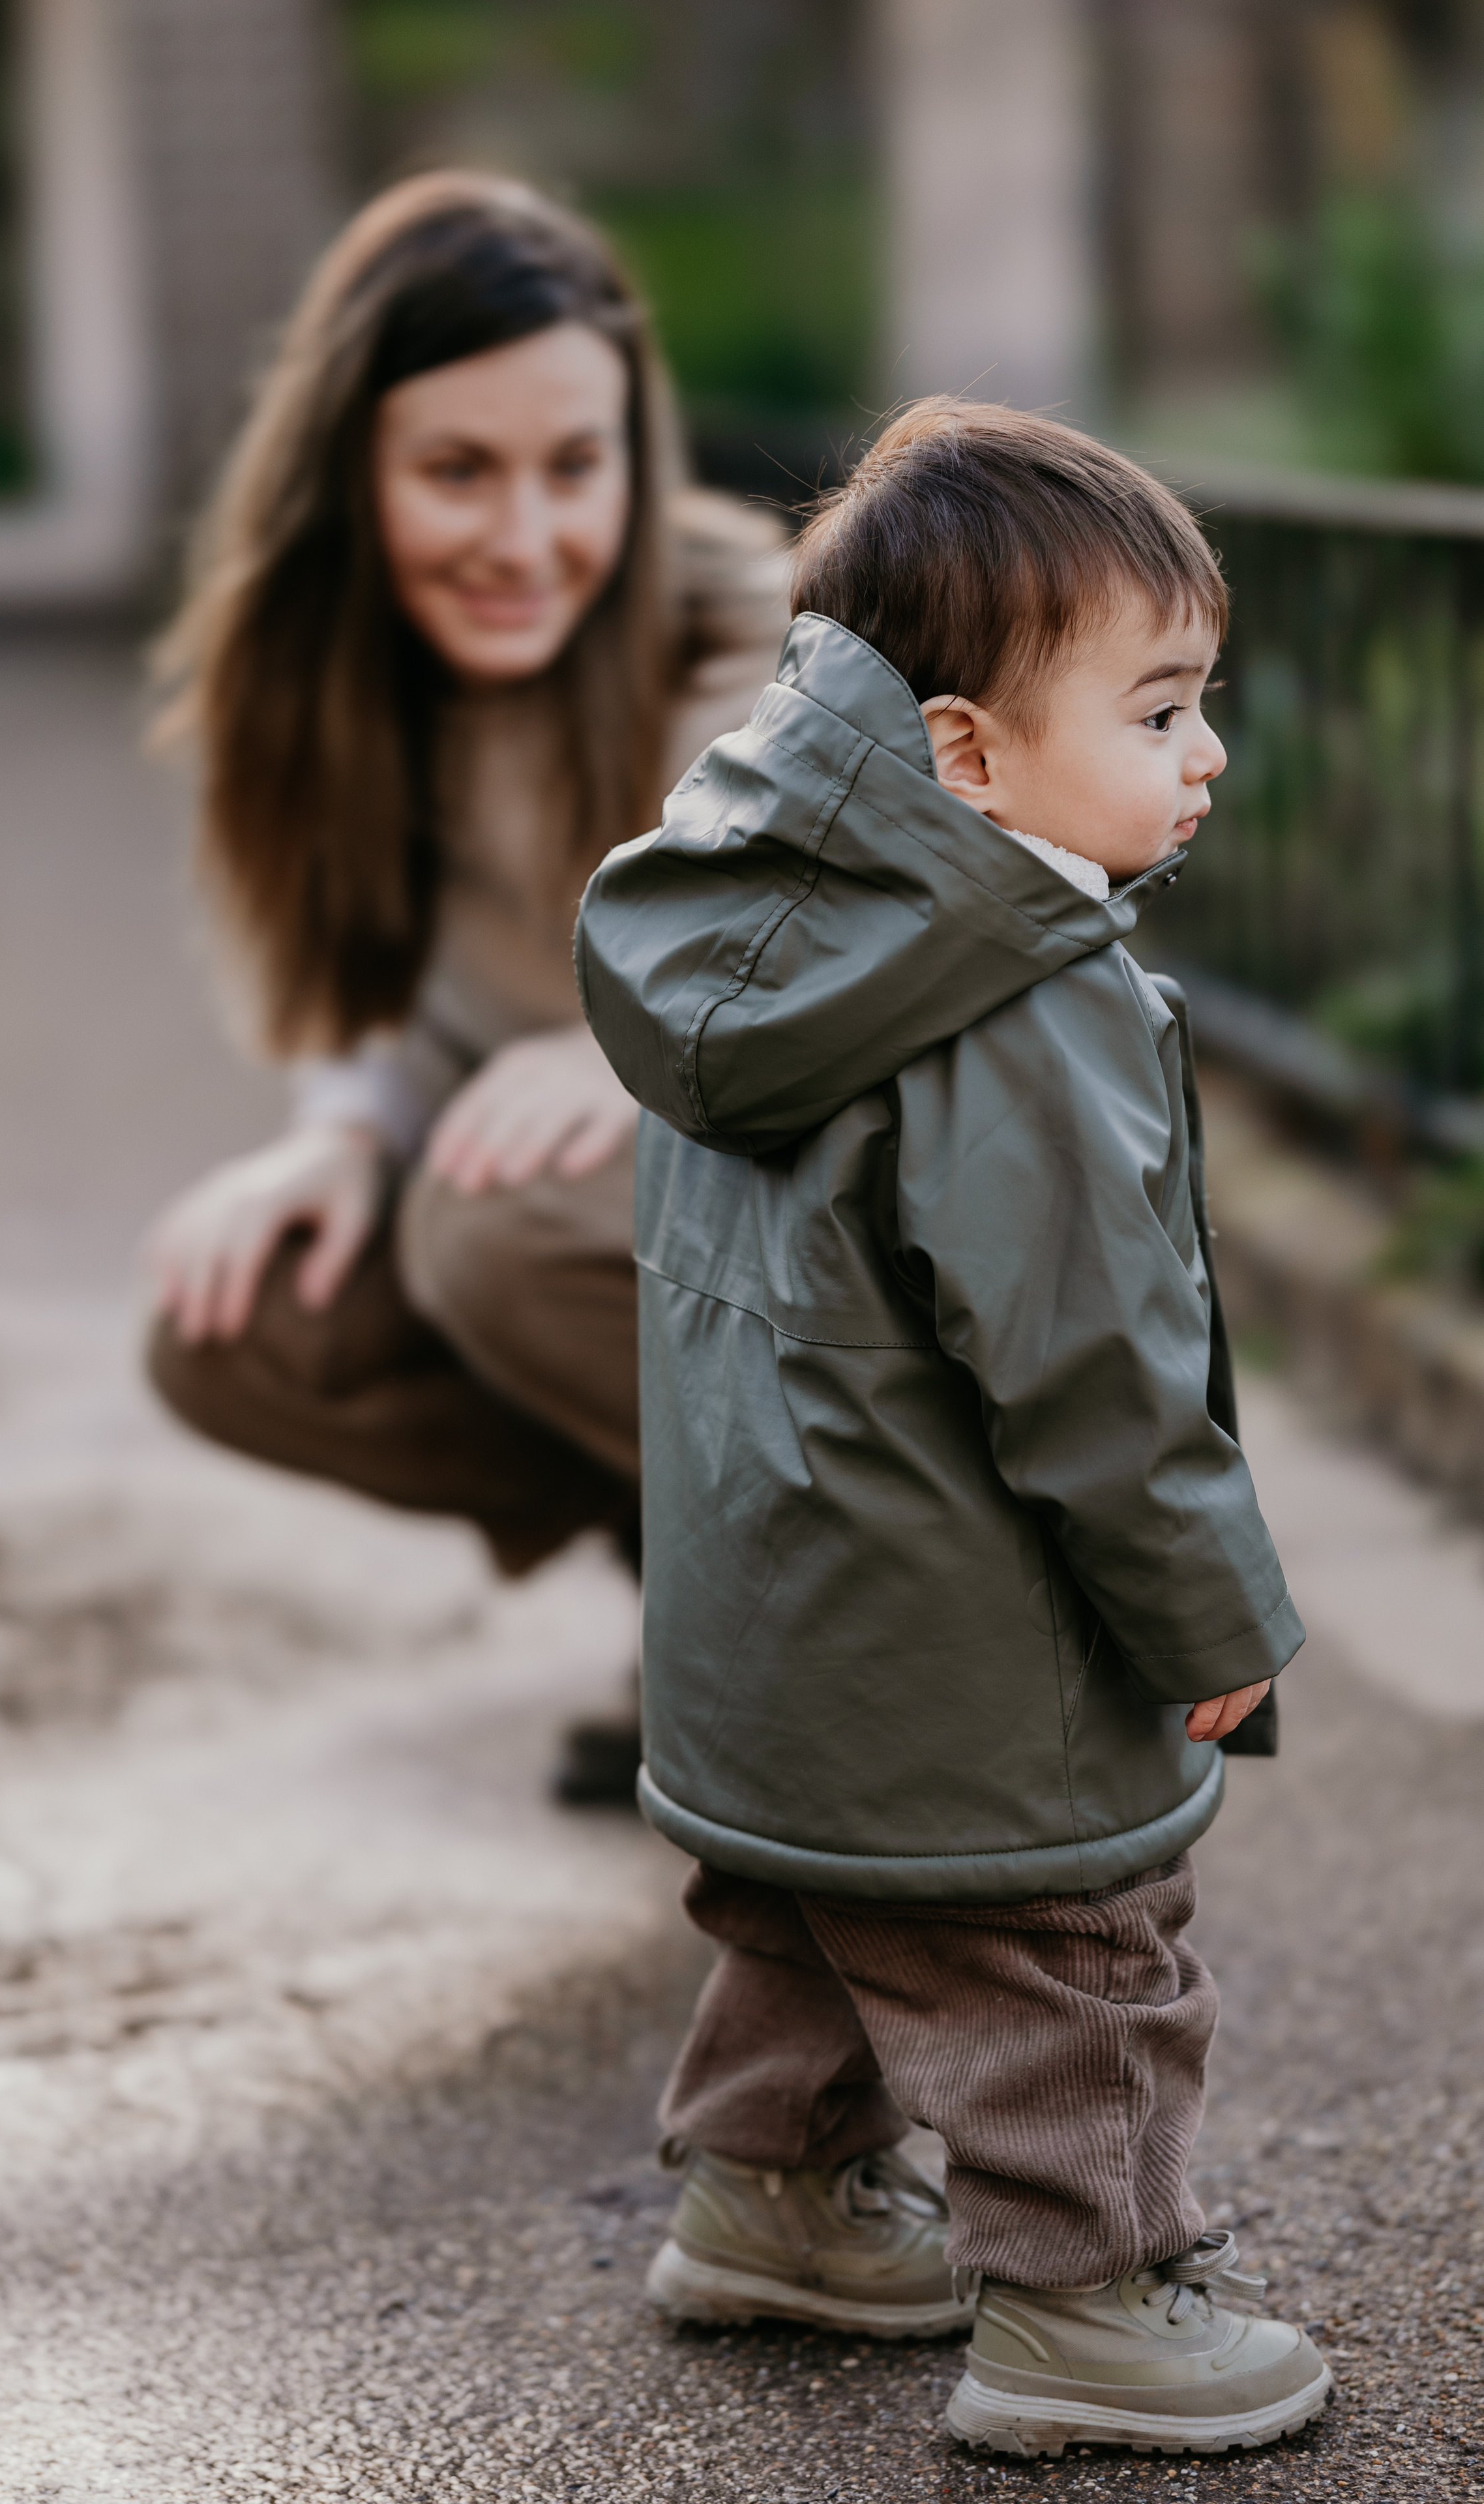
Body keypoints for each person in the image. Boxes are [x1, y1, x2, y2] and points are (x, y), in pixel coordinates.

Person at [575, 402, 1331, 2457]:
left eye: (1209, 702)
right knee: (1066, 1959)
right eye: (1162, 707)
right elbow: (1097, 1368)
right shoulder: (1025, 996)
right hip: (955, 1640)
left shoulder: (752, 927)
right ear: (969, 759)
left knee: (812, 1911)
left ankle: (770, 2195)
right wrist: (1213, 1616)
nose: (1208, 755)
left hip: (772, 1628)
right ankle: (1085, 2309)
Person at [143, 173, 786, 1800]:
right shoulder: (314, 684)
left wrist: (627, 1045)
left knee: (492, 1226)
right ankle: (721, 1602)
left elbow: (843, 932)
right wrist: (342, 1138)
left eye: (573, 466)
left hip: (846, 1204)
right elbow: (368, 983)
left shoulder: (740, 623)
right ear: (349, 474)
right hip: (608, 1225)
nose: (523, 539)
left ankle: (923, 1633)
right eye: (455, 472)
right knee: (240, 1321)